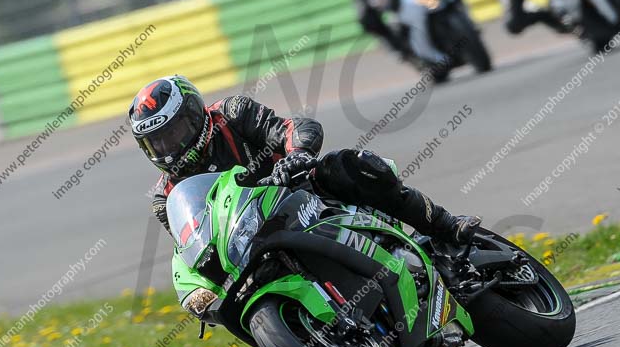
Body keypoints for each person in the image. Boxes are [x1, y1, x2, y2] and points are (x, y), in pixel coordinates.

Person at [131, 75, 480, 246]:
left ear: (194, 115)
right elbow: (194, 243)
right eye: (156, 142)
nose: (168, 147)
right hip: (257, 237)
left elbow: (295, 127)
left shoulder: (231, 114)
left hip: (302, 190)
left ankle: (447, 227)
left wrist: (296, 156)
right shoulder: (167, 198)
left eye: (173, 133)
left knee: (348, 165)